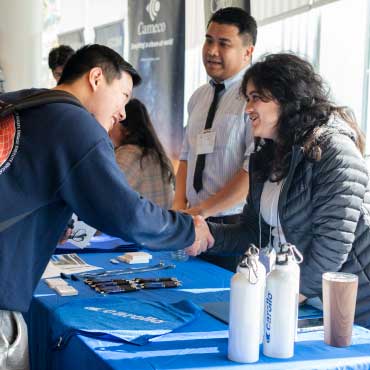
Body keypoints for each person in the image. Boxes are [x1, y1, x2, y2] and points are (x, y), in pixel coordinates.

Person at [0, 44, 213, 369]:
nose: (123, 113)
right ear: (96, 78)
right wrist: (187, 230)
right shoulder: (74, 123)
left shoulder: (20, 104)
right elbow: (126, 213)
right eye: (123, 96)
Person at [189, 53, 370, 329]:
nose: (247, 108)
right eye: (247, 98)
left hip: (352, 310)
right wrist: (206, 234)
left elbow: (332, 248)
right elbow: (253, 231)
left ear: (287, 99)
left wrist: (279, 299)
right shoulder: (266, 155)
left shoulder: (335, 151)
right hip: (304, 303)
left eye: (257, 97)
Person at [172, 7, 257, 271]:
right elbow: (186, 157)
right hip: (194, 223)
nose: (211, 51)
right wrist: (179, 209)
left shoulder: (255, 99)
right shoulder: (198, 97)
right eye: (209, 40)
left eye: (224, 44)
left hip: (234, 226)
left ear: (247, 51)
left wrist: (201, 211)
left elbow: (251, 171)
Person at [109, 98, 174, 209]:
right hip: (159, 224)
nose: (109, 127)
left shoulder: (128, 155)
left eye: (114, 121)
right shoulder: (156, 155)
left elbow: (106, 196)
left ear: (127, 129)